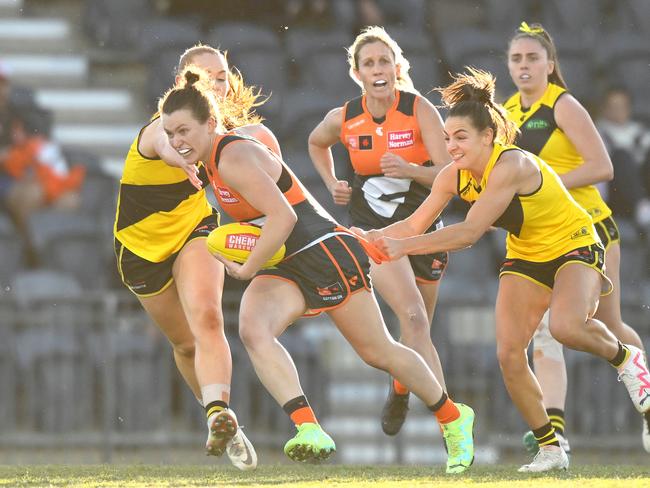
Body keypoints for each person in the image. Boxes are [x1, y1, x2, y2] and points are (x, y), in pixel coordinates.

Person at [160, 65, 476, 474]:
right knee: (254, 329)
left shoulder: (233, 155)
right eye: (170, 134)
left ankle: (454, 418)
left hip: (322, 249)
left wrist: (246, 268)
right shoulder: (209, 163)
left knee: (378, 351)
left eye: (183, 131)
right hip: (287, 261)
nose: (176, 141)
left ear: (210, 124)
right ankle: (309, 429)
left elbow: (283, 218)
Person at [358, 67, 650, 472]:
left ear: (488, 136)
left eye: (460, 137)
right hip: (527, 254)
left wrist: (401, 248)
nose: (451, 146)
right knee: (510, 354)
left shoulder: (511, 165)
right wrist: (366, 237)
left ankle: (625, 359)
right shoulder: (451, 175)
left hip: (574, 244)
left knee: (565, 327)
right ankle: (551, 449)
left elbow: (470, 233)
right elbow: (411, 224)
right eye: (446, 138)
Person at [112, 43, 268, 470]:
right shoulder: (162, 131)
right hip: (140, 249)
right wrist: (178, 153)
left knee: (208, 317)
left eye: (223, 75)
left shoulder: (226, 133)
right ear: (184, 83)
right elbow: (163, 141)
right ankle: (222, 420)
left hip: (194, 230)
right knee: (183, 342)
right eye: (208, 75)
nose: (219, 82)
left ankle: (219, 412)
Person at [503, 22, 650, 455]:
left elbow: (603, 166)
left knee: (609, 325)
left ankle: (645, 404)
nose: (525, 66)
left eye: (533, 58)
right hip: (544, 236)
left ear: (550, 64)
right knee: (546, 333)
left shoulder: (563, 105)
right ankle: (555, 436)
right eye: (516, 59)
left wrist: (546, 183)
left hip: (591, 229)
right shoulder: (507, 111)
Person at [308, 26, 454, 436]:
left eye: (384, 61)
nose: (377, 69)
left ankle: (400, 386)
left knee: (418, 325)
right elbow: (316, 143)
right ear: (357, 73)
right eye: (368, 63)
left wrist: (409, 170)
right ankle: (453, 426)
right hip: (373, 232)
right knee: (413, 318)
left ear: (396, 67)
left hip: (423, 230)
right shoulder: (345, 117)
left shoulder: (419, 109)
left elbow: (450, 175)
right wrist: (331, 182)